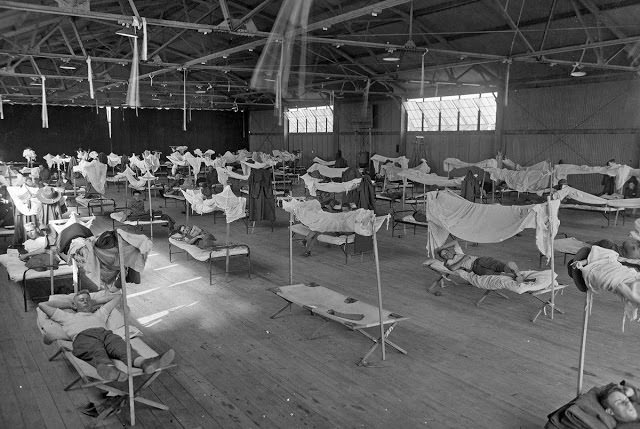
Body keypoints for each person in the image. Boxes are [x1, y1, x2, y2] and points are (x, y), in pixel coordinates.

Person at [38, 290, 175, 382]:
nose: (85, 301)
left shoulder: (99, 313)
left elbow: (117, 297)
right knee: (95, 350)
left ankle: (145, 363)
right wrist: (69, 304)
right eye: (81, 300)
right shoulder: (66, 316)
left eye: (87, 299)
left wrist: (95, 302)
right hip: (83, 337)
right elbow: (42, 305)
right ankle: (109, 369)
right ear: (75, 305)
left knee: (121, 347)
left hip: (106, 335)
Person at [438, 242, 524, 283]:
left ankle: (514, 272)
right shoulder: (449, 262)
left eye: (446, 252)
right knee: (493, 275)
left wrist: (442, 247)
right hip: (475, 268)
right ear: (443, 258)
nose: (445, 255)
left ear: (449, 250)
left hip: (479, 260)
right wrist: (464, 258)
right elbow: (452, 268)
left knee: (499, 266)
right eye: (443, 255)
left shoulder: (457, 252)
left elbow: (455, 242)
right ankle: (515, 276)